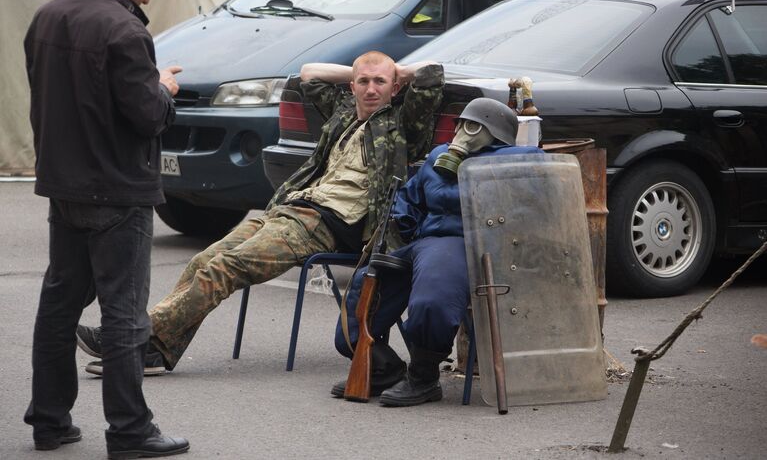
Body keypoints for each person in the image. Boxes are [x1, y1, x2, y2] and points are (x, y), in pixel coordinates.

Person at [76, 51, 444, 376]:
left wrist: (395, 72)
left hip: (323, 223)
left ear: (395, 88)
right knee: (205, 259)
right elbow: (309, 73)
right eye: (363, 81)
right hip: (288, 208)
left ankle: (128, 341)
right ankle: (154, 350)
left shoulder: (402, 123)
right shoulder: (345, 111)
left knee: (224, 268)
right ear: (351, 87)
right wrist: (360, 69)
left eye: (380, 82)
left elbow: (431, 73)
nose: (371, 89)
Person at [23, 0, 190, 458]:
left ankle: (49, 422)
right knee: (125, 313)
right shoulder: (123, 29)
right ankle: (130, 431)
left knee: (59, 303)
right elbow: (146, 115)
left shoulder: (47, 15)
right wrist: (164, 87)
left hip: (64, 184)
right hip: (118, 190)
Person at [333, 97, 542, 406]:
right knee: (367, 285)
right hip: (424, 241)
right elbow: (411, 197)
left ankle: (423, 376)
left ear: (495, 134)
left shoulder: (512, 163)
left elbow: (532, 188)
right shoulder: (438, 158)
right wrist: (404, 222)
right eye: (461, 125)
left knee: (434, 295)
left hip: (468, 243)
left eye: (473, 127)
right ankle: (382, 366)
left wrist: (483, 159)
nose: (462, 133)